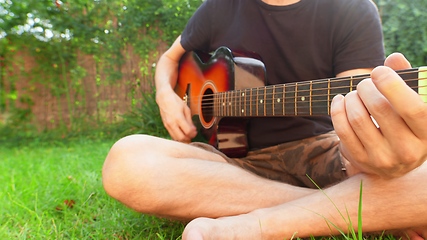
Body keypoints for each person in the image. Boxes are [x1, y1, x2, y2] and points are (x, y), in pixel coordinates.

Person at [102, 0, 427, 238]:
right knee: (127, 163)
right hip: (230, 164)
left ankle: (258, 225)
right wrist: (166, 96)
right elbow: (169, 59)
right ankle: (362, 211)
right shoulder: (218, 8)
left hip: (324, 154)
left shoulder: (352, 9)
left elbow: (359, 119)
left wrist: (378, 151)